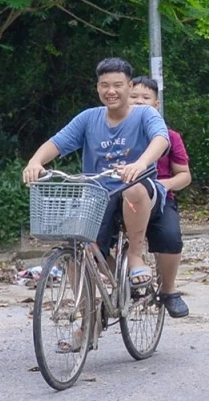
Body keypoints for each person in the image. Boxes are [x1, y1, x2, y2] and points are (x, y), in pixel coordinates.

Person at [22, 58, 169, 292]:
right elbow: (57, 142)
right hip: (98, 193)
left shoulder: (145, 115)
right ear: (97, 87)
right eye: (104, 85)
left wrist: (140, 164)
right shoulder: (89, 117)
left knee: (133, 188)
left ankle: (135, 257)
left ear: (130, 87)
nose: (111, 91)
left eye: (118, 85)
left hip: (138, 189)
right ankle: (87, 316)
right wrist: (35, 161)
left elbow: (161, 139)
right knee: (76, 249)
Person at [129, 76, 191, 318]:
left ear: (156, 105)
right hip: (121, 195)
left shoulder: (170, 136)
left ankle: (168, 289)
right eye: (134, 97)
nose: (139, 102)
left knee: (170, 238)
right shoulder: (113, 131)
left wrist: (161, 185)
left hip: (160, 198)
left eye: (145, 98)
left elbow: (184, 176)